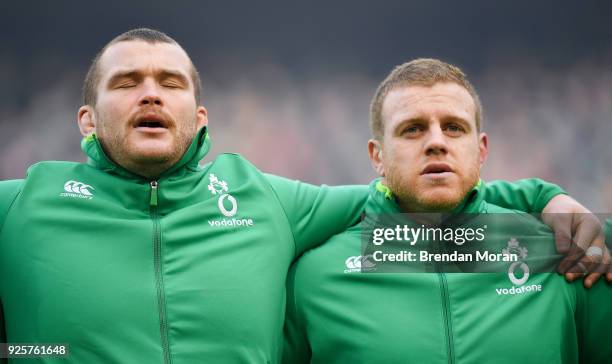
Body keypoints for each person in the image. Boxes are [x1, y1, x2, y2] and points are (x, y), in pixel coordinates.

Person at [0, 29, 603, 363]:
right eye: (127, 83)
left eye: (171, 83)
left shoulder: (263, 199)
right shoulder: (19, 208)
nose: (151, 94)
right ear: (86, 118)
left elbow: (417, 197)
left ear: (200, 114)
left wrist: (541, 196)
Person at [283, 58, 611, 363]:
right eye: (412, 129)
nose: (436, 141)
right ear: (377, 156)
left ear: (481, 151)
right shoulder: (313, 276)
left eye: (454, 127)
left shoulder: (565, 248)